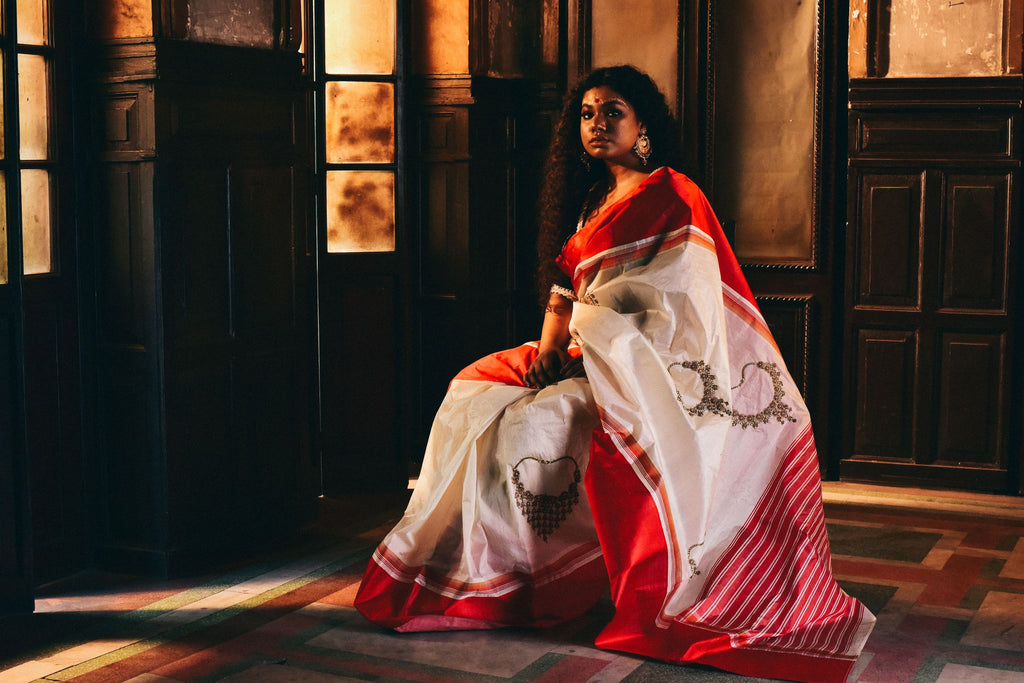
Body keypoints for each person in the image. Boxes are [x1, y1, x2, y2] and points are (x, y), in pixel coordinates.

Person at [355, 65, 875, 683]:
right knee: (475, 394)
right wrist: (550, 347)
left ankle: (576, 578)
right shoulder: (590, 200)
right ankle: (501, 577)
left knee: (548, 423)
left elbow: (682, 301)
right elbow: (564, 284)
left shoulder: (673, 194)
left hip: (655, 367)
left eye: (613, 112)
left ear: (643, 125)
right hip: (589, 352)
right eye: (587, 113)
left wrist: (596, 339)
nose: (597, 124)